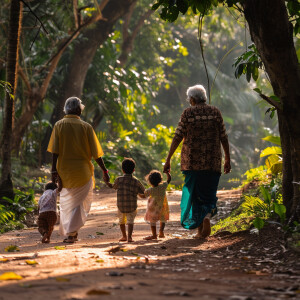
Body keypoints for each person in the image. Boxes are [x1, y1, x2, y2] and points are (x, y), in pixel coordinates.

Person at [163, 84, 231, 239]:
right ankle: (206, 216)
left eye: (189, 99)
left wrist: (168, 160)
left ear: (192, 99)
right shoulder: (215, 112)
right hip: (212, 162)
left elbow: (177, 137)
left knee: (195, 195)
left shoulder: (188, 113)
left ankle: (200, 229)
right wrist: (227, 158)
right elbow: (224, 137)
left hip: (192, 163)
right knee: (209, 194)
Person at [47, 97, 109, 243]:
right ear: (79, 110)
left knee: (67, 203)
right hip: (83, 172)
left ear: (66, 109)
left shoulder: (59, 125)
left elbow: (54, 152)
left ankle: (72, 232)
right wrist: (105, 171)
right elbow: (96, 154)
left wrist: (53, 171)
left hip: (64, 172)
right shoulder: (86, 127)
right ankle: (71, 233)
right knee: (79, 204)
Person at [105, 158, 145, 242]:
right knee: (130, 221)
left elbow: (113, 187)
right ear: (133, 170)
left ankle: (124, 236)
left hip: (121, 206)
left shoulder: (118, 180)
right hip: (132, 206)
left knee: (121, 221)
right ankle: (130, 237)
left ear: (122, 170)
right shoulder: (136, 181)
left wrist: (107, 182)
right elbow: (143, 191)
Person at [140, 170, 171, 240]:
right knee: (163, 219)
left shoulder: (150, 190)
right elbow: (169, 179)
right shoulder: (163, 186)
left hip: (153, 208)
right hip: (162, 206)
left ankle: (154, 235)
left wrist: (137, 193)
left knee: (152, 221)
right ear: (160, 180)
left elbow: (143, 196)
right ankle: (161, 232)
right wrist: (167, 173)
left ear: (150, 181)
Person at [38, 179, 62, 243]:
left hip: (42, 213)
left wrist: (39, 214)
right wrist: (59, 180)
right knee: (50, 227)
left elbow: (39, 206)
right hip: (52, 212)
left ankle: (44, 233)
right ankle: (48, 238)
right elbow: (60, 188)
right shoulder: (54, 192)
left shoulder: (42, 196)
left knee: (41, 226)